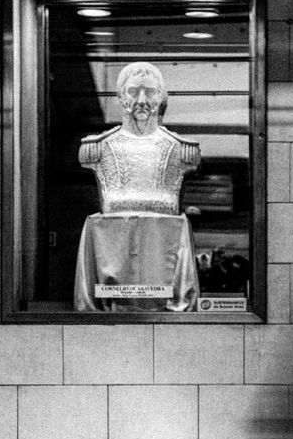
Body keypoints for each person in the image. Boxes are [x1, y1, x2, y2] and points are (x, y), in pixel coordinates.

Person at [73, 62, 201, 312]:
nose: (142, 100)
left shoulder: (182, 150)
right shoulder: (97, 149)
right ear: (121, 96)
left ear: (161, 97)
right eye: (133, 91)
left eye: (150, 92)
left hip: (162, 262)